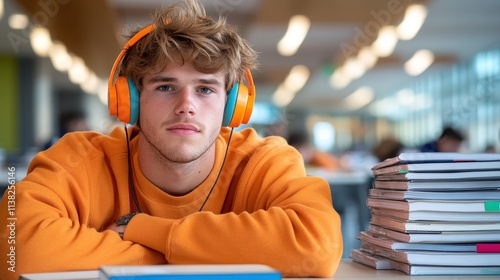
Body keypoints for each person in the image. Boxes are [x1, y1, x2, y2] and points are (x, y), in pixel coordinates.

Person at [0, 1, 342, 279]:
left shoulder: (264, 161)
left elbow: (318, 246)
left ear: (231, 106)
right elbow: (17, 251)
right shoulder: (79, 158)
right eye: (165, 87)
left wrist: (146, 231)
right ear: (130, 100)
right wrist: (193, 256)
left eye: (205, 89)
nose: (186, 107)